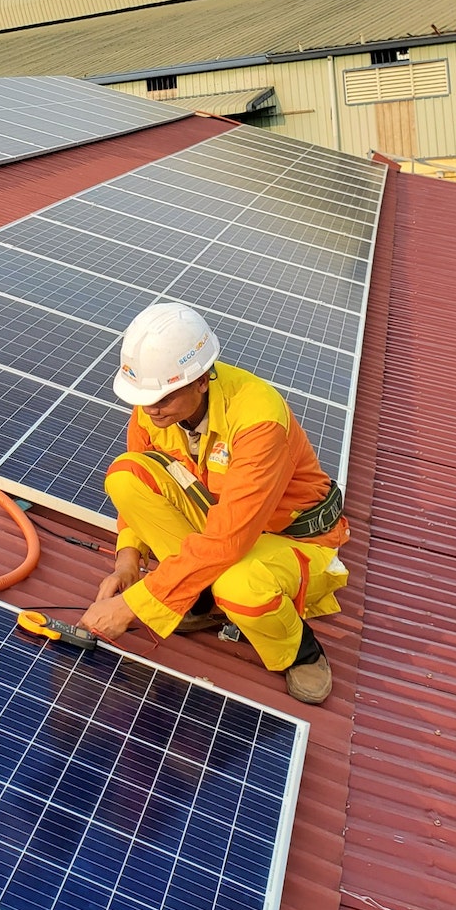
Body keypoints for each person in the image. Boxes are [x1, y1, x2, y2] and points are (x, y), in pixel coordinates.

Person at [78, 301, 350, 704]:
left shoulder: (259, 420)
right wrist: (128, 561)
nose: (150, 409)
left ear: (202, 380)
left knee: (238, 584)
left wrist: (133, 606)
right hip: (226, 527)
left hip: (294, 541)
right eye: (143, 397)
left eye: (163, 398)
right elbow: (143, 499)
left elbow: (229, 540)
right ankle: (200, 600)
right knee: (126, 474)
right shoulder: (152, 411)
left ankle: (298, 649)